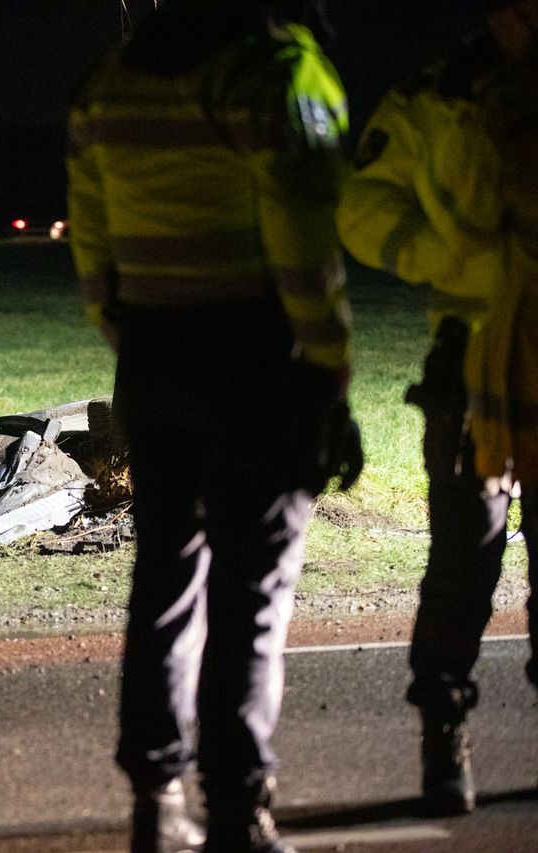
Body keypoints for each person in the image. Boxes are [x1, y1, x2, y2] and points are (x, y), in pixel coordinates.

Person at [66, 2, 356, 851]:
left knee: (166, 573)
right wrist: (328, 359)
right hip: (256, 354)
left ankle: (154, 799)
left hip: (152, 352)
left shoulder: (108, 81)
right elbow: (304, 231)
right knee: (252, 589)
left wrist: (136, 334)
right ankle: (237, 806)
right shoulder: (271, 71)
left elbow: (92, 244)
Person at [336, 0, 538, 817]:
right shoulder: (440, 93)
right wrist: (455, 260)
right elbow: (364, 208)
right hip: (473, 349)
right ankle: (443, 736)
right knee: (467, 554)